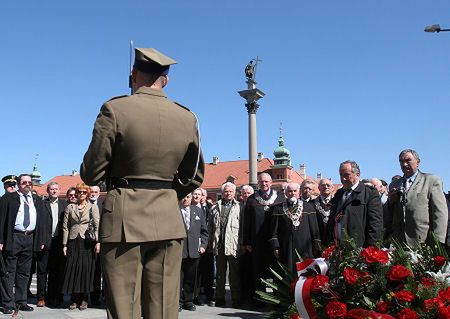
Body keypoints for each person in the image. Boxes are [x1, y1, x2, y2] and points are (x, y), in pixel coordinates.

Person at [80, 47, 204, 319]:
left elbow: (91, 174)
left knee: (124, 309)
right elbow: (195, 175)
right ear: (166, 79)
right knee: (163, 309)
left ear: (133, 74)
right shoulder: (187, 118)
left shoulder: (115, 109)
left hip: (123, 218)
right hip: (168, 220)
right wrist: (166, 193)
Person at [0, 174, 47, 314]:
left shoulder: (37, 200)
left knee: (24, 273)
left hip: (29, 238)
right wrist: (1, 240)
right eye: (24, 182)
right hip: (13, 237)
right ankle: (8, 303)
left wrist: (40, 241)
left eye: (29, 182)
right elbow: (1, 220)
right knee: (9, 272)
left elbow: (41, 222)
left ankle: (21, 301)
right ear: (19, 184)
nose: (27, 184)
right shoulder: (8, 198)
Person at [387, 149, 448, 246]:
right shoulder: (394, 185)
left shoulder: (431, 181)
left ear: (418, 162)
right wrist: (391, 201)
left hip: (423, 241)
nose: (404, 164)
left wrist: (438, 240)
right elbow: (389, 213)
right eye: (401, 161)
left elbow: (440, 212)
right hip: (399, 243)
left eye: (408, 160)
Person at [243, 173, 284, 300]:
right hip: (257, 242)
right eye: (261, 182)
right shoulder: (251, 200)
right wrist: (247, 242)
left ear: (271, 182)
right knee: (258, 269)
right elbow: (246, 223)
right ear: (258, 183)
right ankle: (260, 297)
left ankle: (275, 297)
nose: (264, 184)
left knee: (275, 270)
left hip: (275, 242)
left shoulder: (280, 198)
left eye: (266, 181)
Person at [326, 161, 383, 247]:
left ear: (357, 174)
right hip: (337, 247)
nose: (343, 178)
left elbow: (375, 225)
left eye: (346, 175)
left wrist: (370, 249)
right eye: (341, 175)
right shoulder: (339, 194)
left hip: (358, 249)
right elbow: (332, 221)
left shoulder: (369, 193)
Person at [61, 183, 100, 311]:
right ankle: (73, 298)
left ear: (87, 194)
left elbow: (97, 225)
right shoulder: (70, 207)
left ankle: (84, 298)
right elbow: (65, 227)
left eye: (84, 192)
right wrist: (64, 244)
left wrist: (98, 242)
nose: (81, 194)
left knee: (85, 269)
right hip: (73, 241)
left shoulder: (92, 207)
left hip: (87, 243)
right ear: (76, 193)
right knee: (72, 269)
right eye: (79, 192)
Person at [270, 182, 321, 273]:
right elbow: (273, 230)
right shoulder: (278, 208)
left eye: (295, 191)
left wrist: (316, 245)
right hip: (286, 247)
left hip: (305, 247)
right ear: (285, 193)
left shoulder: (309, 207)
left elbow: (314, 228)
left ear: (299, 192)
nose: (292, 193)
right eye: (290, 191)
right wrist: (276, 246)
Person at [210, 182, 243, 307]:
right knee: (220, 274)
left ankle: (236, 298)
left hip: (234, 245)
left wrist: (241, 244)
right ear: (222, 193)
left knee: (234, 274)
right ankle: (219, 298)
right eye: (226, 191)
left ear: (234, 193)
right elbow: (210, 227)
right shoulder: (215, 207)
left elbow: (242, 228)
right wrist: (209, 244)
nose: (228, 193)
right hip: (219, 245)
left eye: (230, 191)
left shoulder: (239, 207)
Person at [37, 182, 66, 307]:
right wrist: (40, 241)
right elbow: (39, 225)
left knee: (56, 271)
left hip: (58, 242)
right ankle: (41, 297)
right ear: (48, 191)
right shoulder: (42, 205)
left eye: (56, 189)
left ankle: (54, 296)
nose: (54, 191)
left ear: (59, 191)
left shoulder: (65, 205)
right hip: (45, 242)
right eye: (52, 189)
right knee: (42, 271)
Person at [178, 193, 208, 312]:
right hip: (179, 251)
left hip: (194, 251)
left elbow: (204, 231)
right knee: (178, 279)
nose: (186, 199)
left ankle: (188, 301)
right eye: (184, 197)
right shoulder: (175, 211)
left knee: (191, 278)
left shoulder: (198, 211)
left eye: (188, 197)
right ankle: (178, 302)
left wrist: (203, 245)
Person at [89, 185, 103, 306]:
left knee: (97, 271)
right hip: (85, 242)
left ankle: (95, 297)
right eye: (91, 191)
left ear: (99, 193)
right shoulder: (83, 204)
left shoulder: (103, 205)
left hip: (100, 242)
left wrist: (100, 241)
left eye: (95, 192)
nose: (93, 194)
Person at [312, 178, 334, 243]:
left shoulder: (337, 203)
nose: (325, 187)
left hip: (333, 240)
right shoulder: (311, 204)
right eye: (323, 185)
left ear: (332, 188)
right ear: (319, 188)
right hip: (317, 239)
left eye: (328, 185)